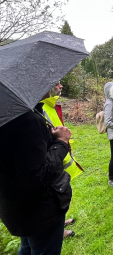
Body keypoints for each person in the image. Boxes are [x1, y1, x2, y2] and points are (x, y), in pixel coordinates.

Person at [0, 95, 73, 254]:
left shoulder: (8, 114)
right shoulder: (27, 121)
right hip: (40, 212)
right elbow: (36, 174)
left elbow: (24, 159)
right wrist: (61, 142)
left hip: (17, 206)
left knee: (27, 247)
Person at [41, 81, 84, 239]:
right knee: (55, 195)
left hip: (58, 159)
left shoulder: (49, 106)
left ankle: (61, 221)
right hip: (52, 161)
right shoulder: (41, 109)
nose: (61, 86)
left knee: (61, 193)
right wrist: (61, 141)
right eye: (57, 83)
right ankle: (59, 231)